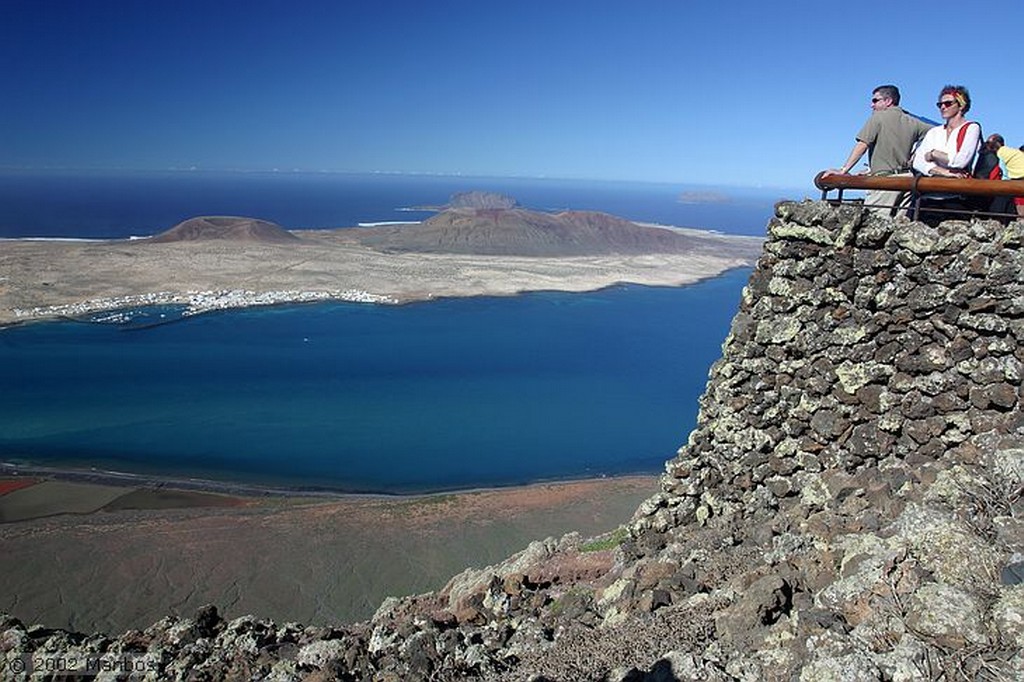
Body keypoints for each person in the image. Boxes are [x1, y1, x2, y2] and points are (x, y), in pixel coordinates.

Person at [823, 85, 933, 215]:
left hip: (884, 182)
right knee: (899, 227)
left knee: (873, 225)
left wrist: (844, 170)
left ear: (888, 101)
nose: (871, 105)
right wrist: (916, 154)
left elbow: (862, 145)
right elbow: (935, 131)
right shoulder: (913, 121)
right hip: (907, 181)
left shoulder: (878, 118)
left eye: (875, 100)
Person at [911, 85, 981, 224]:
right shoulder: (934, 132)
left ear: (961, 105)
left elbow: (960, 161)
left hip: (956, 200)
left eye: (948, 103)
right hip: (928, 200)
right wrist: (944, 172)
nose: (943, 107)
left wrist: (933, 154)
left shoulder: (972, 128)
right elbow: (917, 161)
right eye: (940, 104)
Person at [987, 134, 1024, 217]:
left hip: (1018, 179)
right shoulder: (1012, 152)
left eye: (988, 143)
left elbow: (1001, 169)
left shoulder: (1001, 152)